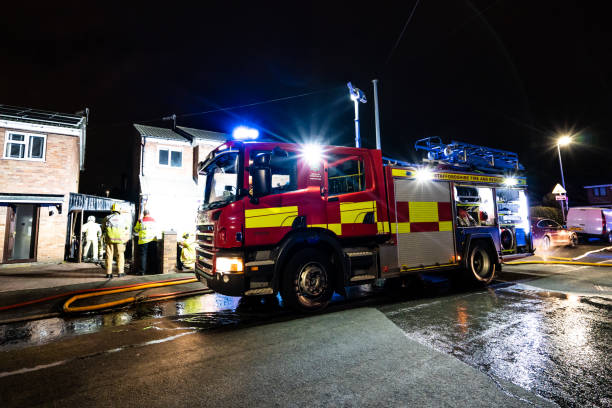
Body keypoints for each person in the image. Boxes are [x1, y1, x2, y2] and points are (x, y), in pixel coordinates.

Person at [102, 203, 130, 279]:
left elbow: (103, 228)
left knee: (109, 256)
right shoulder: (123, 218)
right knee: (120, 255)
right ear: (119, 210)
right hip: (120, 240)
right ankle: (120, 272)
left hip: (109, 240)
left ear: (112, 210)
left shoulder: (107, 218)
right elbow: (127, 228)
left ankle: (108, 273)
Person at [133, 209, 159, 275]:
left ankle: (142, 271)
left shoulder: (140, 221)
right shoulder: (154, 220)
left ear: (144, 214)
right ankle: (152, 271)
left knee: (143, 256)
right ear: (149, 213)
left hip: (143, 241)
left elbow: (136, 229)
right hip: (153, 240)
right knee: (152, 256)